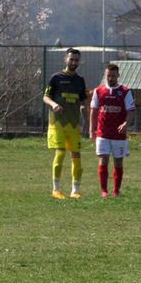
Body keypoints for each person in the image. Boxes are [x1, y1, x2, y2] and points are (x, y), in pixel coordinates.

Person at [42, 47, 87, 199]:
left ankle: (75, 191)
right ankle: (56, 189)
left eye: (76, 60)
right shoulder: (56, 78)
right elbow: (45, 97)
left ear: (79, 62)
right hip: (57, 123)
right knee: (60, 152)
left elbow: (82, 101)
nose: (73, 62)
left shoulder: (80, 80)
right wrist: (54, 104)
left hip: (73, 124)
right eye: (71, 59)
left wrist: (85, 119)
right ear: (65, 59)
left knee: (76, 154)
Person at [89, 62, 136, 198]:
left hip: (118, 135)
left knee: (118, 162)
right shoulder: (98, 91)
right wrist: (91, 130)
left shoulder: (125, 91)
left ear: (118, 76)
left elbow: (131, 111)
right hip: (102, 133)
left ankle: (116, 191)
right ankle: (104, 191)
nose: (110, 78)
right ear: (105, 75)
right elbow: (93, 111)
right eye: (108, 75)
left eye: (113, 76)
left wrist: (126, 123)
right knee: (103, 160)